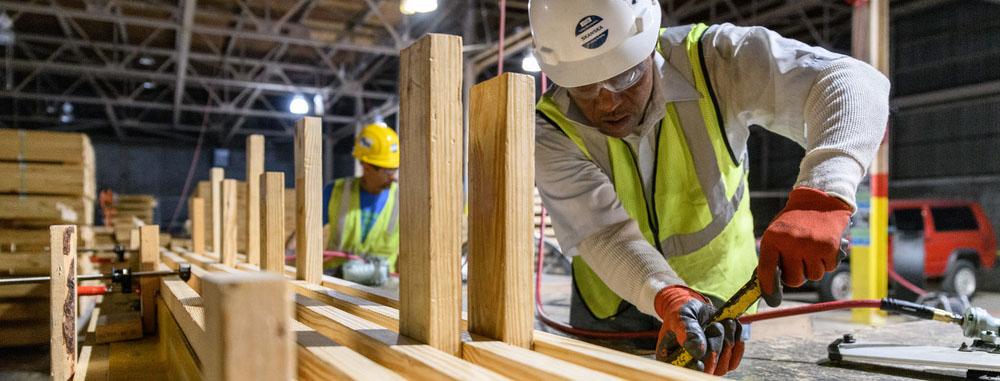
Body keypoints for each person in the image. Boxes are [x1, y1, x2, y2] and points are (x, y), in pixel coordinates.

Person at [529, 1, 889, 376]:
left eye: (624, 77)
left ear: (650, 45)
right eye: (585, 87)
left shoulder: (714, 62)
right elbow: (602, 233)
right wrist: (666, 293)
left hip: (720, 308)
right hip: (609, 316)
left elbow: (853, 83)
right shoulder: (549, 130)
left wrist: (822, 196)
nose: (607, 101)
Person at [322, 123, 400, 273]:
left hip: (382, 287)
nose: (393, 176)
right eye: (388, 170)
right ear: (367, 167)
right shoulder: (335, 192)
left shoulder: (403, 200)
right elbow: (301, 235)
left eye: (394, 169)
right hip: (334, 283)